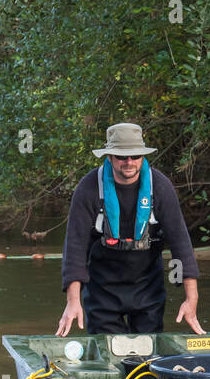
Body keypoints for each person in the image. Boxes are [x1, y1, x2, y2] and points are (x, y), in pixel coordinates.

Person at [57, 122, 202, 336]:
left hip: (147, 288)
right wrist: (73, 302)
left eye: (135, 156)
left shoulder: (160, 187)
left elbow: (181, 244)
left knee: (146, 360)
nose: (129, 162)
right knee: (110, 355)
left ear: (142, 156)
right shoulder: (88, 188)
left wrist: (191, 299)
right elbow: (74, 248)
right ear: (109, 157)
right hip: (102, 291)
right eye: (121, 157)